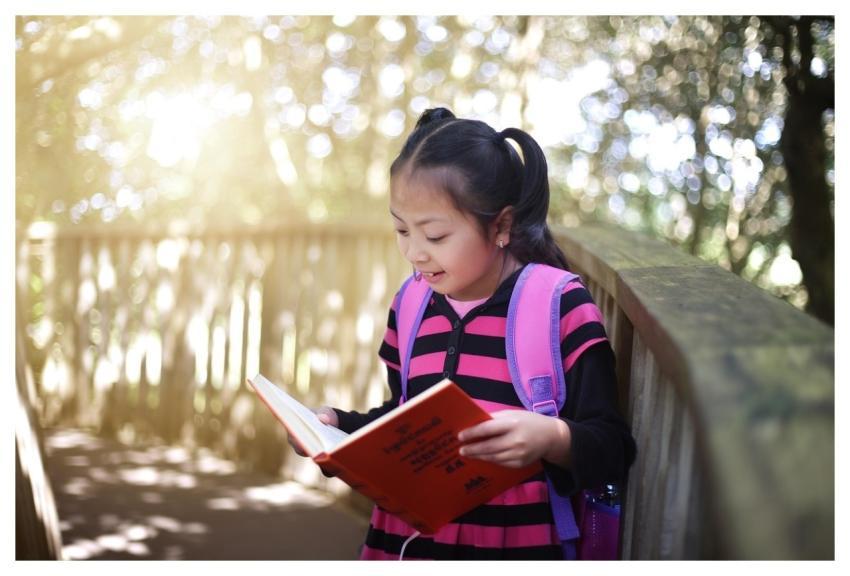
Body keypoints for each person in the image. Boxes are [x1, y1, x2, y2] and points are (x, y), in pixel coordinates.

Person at [290, 107, 636, 560]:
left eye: (434, 235)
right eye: (400, 229)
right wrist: (338, 429)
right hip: (404, 547)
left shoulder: (559, 307)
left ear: (501, 226)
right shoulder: (411, 305)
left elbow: (612, 447)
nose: (414, 252)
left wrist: (553, 438)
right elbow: (403, 420)